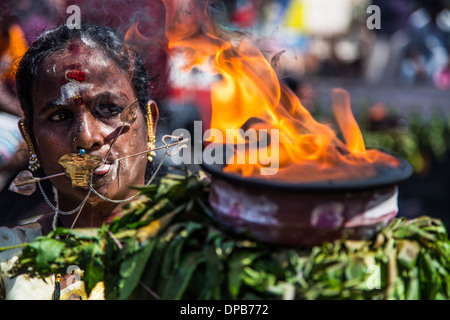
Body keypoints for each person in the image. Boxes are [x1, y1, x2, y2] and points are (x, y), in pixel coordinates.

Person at [0, 22, 166, 299]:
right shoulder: (10, 258)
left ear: (150, 123)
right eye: (60, 116)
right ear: (31, 140)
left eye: (110, 108)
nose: (86, 138)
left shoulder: (202, 250)